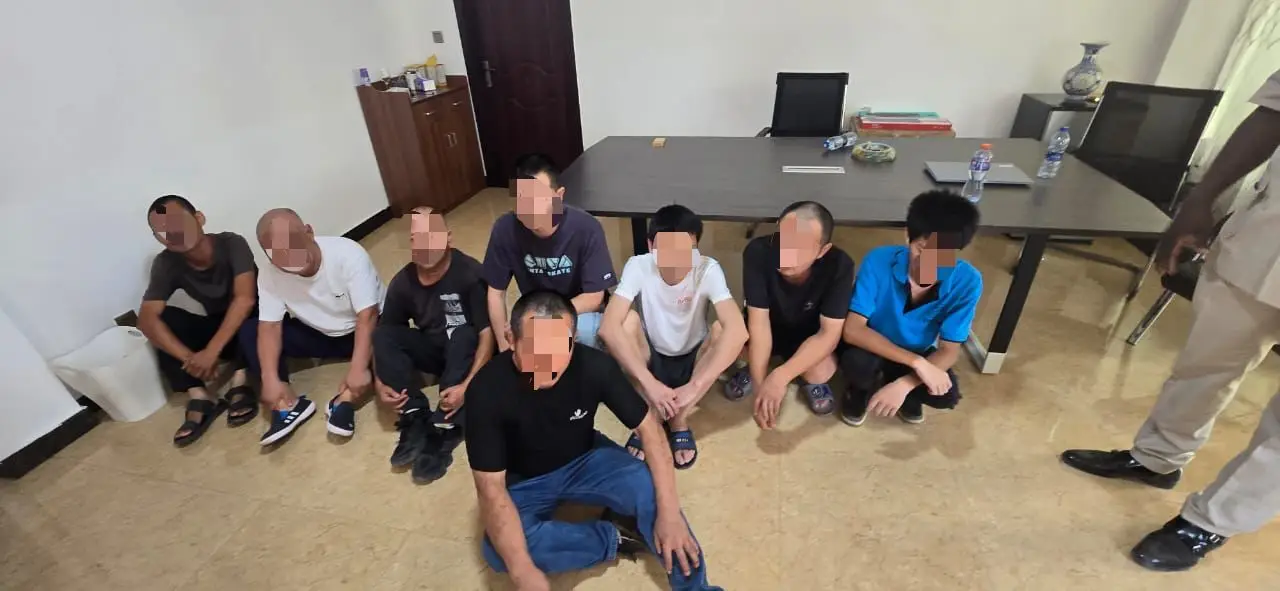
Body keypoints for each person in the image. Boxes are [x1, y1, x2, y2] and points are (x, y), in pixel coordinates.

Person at [1061, 68, 1280, 571]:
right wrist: (1201, 199)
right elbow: (1271, 116)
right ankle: (1156, 458)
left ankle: (1210, 522)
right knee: (1204, 366)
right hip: (1264, 241)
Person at [465, 290, 721, 591]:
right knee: (500, 553)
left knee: (650, 489)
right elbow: (490, 487)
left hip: (586, 457)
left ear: (573, 339)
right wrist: (522, 570)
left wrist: (670, 514)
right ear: (511, 337)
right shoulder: (485, 391)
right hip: (525, 479)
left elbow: (650, 431)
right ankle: (610, 539)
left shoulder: (594, 366)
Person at [599, 205, 749, 469]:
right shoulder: (638, 266)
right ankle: (651, 414)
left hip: (694, 357)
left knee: (722, 331)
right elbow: (608, 328)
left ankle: (677, 419)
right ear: (651, 246)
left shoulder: (707, 269)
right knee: (626, 322)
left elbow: (739, 331)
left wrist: (695, 386)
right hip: (651, 355)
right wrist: (650, 384)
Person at [239, 208, 385, 446]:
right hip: (318, 332)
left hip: (363, 329)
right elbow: (270, 327)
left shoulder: (347, 254)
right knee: (250, 331)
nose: (288, 256)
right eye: (277, 253)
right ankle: (287, 404)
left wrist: (359, 368)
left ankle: (344, 400)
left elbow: (367, 316)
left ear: (308, 232)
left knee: (388, 342)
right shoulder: (268, 274)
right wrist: (270, 378)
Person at [838, 190, 982, 426]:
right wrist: (919, 364)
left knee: (945, 395)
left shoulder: (968, 281)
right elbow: (853, 330)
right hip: (872, 344)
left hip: (915, 349)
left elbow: (949, 349)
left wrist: (906, 384)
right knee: (857, 364)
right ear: (908, 236)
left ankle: (905, 389)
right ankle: (859, 389)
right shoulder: (878, 260)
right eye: (922, 249)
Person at [374, 206, 494, 484]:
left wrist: (467, 387)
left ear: (448, 237)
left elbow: (487, 334)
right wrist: (380, 381)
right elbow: (387, 333)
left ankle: (444, 427)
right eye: (418, 238)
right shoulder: (403, 282)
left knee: (464, 334)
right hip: (435, 350)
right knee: (382, 334)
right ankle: (414, 414)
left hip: (468, 353)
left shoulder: (470, 274)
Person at [137, 195, 259, 446]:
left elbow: (245, 299)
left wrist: (211, 352)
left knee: (255, 311)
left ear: (199, 218)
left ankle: (240, 379)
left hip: (252, 324)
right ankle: (200, 395)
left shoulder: (231, 243)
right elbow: (146, 320)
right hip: (218, 327)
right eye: (163, 230)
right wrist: (191, 359)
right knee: (164, 319)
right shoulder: (166, 262)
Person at [725, 201, 855, 429]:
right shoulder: (758, 252)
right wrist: (760, 387)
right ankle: (755, 370)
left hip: (809, 333)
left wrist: (780, 377)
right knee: (725, 339)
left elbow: (829, 334)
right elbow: (759, 323)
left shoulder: (840, 266)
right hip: (770, 326)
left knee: (820, 372)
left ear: (822, 251)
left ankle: (799, 376)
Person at [483, 153, 616, 351]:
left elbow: (593, 297)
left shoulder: (586, 227)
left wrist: (545, 320)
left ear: (558, 196)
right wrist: (504, 349)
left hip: (580, 312)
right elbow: (495, 294)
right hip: (537, 311)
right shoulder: (505, 229)